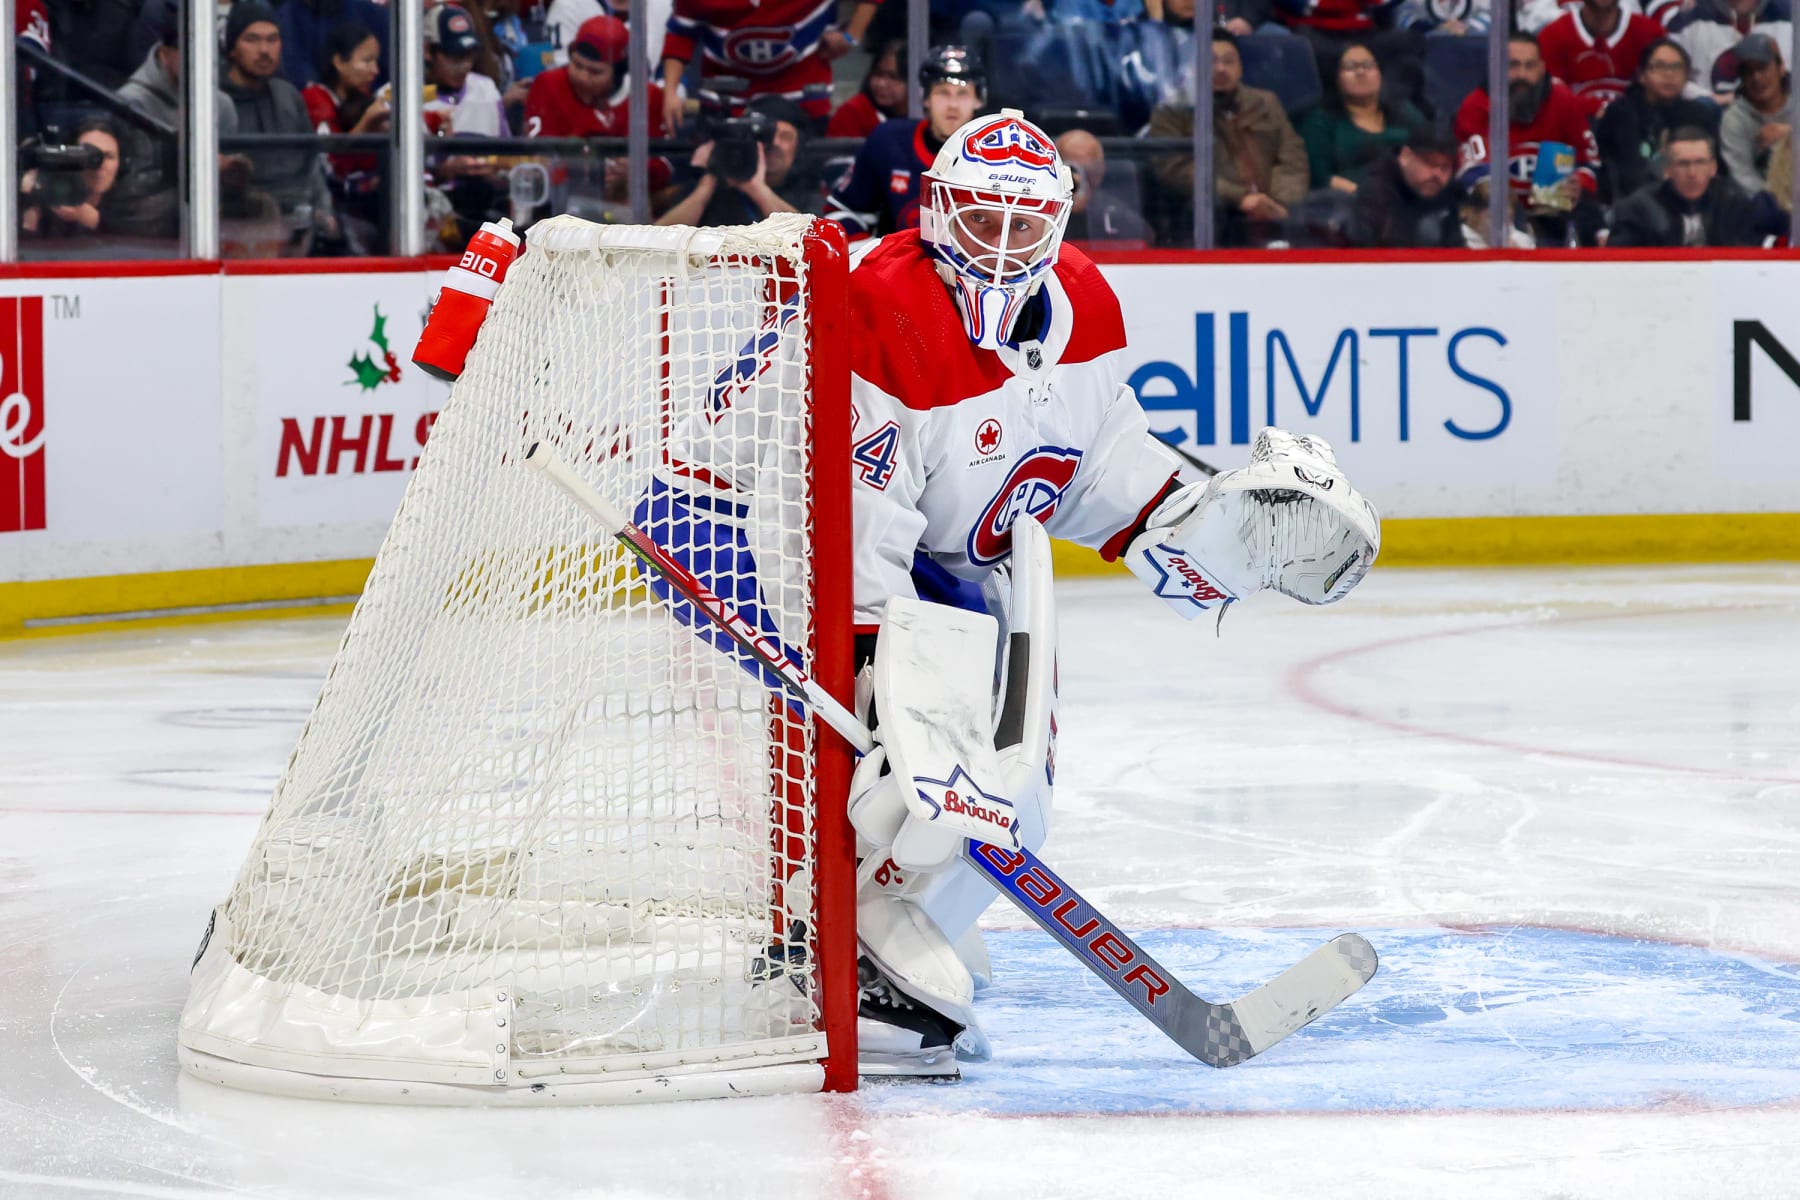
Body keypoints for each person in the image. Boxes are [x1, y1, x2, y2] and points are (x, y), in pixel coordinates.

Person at [635, 109, 1379, 1075]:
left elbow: (1089, 461)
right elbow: (858, 534)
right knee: (905, 761)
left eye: (1023, 226)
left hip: (897, 548)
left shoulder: (1083, 300)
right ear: (935, 210)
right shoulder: (881, 304)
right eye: (977, 219)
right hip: (734, 528)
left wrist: (1195, 523)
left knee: (999, 770)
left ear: (1060, 225)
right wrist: (880, 692)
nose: (999, 246)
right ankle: (836, 955)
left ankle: (903, 910)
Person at [1149, 28, 1309, 247]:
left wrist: (1279, 202)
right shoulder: (1174, 109)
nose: (1220, 68)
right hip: (1221, 211)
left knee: (1329, 202)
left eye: (1228, 61)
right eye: (1211, 61)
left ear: (1241, 67)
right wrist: (1240, 197)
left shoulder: (1266, 103)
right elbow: (1173, 169)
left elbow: (1293, 158)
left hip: (1276, 207)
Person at [1453, 31, 1602, 244]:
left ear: (1542, 68)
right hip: (1496, 221)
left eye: (1529, 66)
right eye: (1513, 65)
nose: (1522, 74)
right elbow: (1475, 176)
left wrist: (1579, 182)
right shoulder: (1476, 106)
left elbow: (1590, 163)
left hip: (1553, 215)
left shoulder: (1563, 102)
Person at [825, 45, 982, 240]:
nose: (952, 105)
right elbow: (842, 213)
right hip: (895, 268)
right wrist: (874, 261)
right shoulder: (888, 140)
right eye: (942, 92)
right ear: (925, 98)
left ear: (978, 100)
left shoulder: (996, 157)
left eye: (962, 94)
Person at [220, 1, 339, 253]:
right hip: (241, 225)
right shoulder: (213, 103)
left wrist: (325, 212)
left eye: (272, 39)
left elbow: (312, 165)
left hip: (299, 219)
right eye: (252, 40)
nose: (264, 50)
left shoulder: (288, 96)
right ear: (231, 48)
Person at [659, 0, 882, 132]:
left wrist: (852, 35)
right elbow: (681, 32)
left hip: (800, 101)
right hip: (726, 101)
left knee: (799, 193)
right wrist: (670, 90)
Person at [654, 94, 820, 226]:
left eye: (785, 137)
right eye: (763, 136)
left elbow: (809, 242)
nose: (774, 143)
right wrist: (707, 183)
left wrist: (758, 189)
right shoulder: (707, 190)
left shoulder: (808, 195)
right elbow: (659, 243)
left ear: (798, 147)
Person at [1595, 37, 1721, 201]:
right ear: (1642, 75)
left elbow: (1715, 170)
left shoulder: (1700, 115)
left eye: (1676, 67)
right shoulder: (1621, 113)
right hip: (1635, 203)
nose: (1669, 74)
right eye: (1660, 66)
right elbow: (1628, 174)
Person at [1297, 41, 1427, 192]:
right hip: (1347, 203)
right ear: (1335, 77)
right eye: (1350, 67)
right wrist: (1363, 197)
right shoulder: (1319, 121)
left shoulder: (1405, 111)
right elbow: (1320, 178)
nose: (1361, 72)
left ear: (1380, 73)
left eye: (1368, 65)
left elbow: (1429, 151)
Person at [1609, 125, 1771, 242]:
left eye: (1700, 162)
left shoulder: (1734, 204)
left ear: (1713, 168)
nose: (1692, 173)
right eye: (1683, 164)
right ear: (1667, 170)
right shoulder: (1638, 208)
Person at [1537, 0, 1666, 118]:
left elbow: (1665, 93)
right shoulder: (1552, 36)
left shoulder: (1650, 33)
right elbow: (1551, 100)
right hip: (1575, 130)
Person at [1345, 125, 1465, 246]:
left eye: (1445, 167)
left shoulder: (1451, 193)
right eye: (1429, 162)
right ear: (1405, 156)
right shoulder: (1376, 191)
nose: (1437, 174)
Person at [20, 116, 126, 238]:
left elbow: (138, 241)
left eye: (109, 157)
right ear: (68, 158)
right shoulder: (47, 192)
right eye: (88, 156)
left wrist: (93, 220)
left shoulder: (135, 205)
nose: (99, 165)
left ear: (120, 162)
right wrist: (28, 201)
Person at [1670, 0, 1793, 101]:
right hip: (1707, 122)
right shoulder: (1687, 22)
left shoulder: (1791, 18)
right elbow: (1670, 78)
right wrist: (1710, 100)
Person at [1719, 32, 1791, 195]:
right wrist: (1781, 202)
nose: (1756, 78)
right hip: (1766, 207)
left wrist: (1790, 133)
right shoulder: (1734, 118)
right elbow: (1742, 176)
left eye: (1762, 68)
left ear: (1781, 68)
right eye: (1748, 72)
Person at [1056, 128, 1156, 243]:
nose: (1079, 178)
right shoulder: (1041, 211)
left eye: (1088, 170)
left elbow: (1145, 238)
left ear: (1101, 170)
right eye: (1072, 169)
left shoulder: (1116, 214)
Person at [425, 5, 510, 136]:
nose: (465, 66)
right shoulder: (400, 97)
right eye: (456, 57)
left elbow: (505, 151)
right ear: (428, 51)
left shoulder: (486, 90)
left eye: (469, 55)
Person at [274, 0, 391, 89]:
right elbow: (298, 79)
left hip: (374, 108)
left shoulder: (372, 15)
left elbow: (400, 75)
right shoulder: (286, 20)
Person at [828, 39, 909, 137]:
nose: (881, 84)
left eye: (893, 77)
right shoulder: (854, 112)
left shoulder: (928, 115)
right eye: (878, 74)